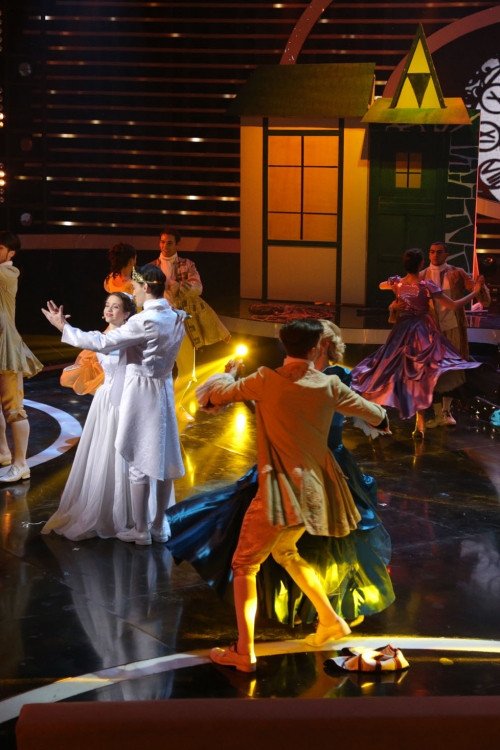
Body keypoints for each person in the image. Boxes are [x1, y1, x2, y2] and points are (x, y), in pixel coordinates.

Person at [166, 319, 394, 631]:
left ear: (283, 345)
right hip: (318, 488)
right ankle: (331, 621)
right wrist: (381, 420)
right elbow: (378, 416)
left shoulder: (266, 379)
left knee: (245, 564)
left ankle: (245, 650)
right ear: (314, 349)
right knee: (285, 551)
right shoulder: (330, 385)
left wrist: (228, 375)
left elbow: (211, 397)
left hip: (279, 489)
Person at [42, 264, 186, 545]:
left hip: (141, 391)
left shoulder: (144, 321)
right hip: (164, 390)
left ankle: (141, 529)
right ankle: (159, 525)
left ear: (146, 287)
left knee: (138, 460)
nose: (134, 292)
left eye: (135, 287)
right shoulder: (175, 316)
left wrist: (63, 327)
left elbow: (103, 342)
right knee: (163, 457)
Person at [352, 247, 483, 438]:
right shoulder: (426, 286)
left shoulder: (398, 283)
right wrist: (474, 293)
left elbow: (381, 285)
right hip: (422, 331)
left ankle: (384, 415)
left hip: (402, 331)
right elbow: (454, 305)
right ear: (421, 264)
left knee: (392, 370)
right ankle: (420, 423)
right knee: (420, 375)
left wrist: (395, 290)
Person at [42, 293, 138, 540]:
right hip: (106, 400)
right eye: (107, 305)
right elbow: (91, 342)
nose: (109, 310)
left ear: (127, 313)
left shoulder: (131, 336)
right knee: (105, 450)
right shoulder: (102, 335)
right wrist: (62, 325)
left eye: (116, 307)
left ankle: (129, 510)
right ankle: (108, 506)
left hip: (127, 400)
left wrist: (63, 326)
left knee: (124, 453)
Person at [152, 227, 230, 420]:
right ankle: (156, 408)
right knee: (155, 370)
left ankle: (174, 406)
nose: (165, 246)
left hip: (181, 323)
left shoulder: (187, 265)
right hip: (158, 325)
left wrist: (177, 287)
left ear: (177, 244)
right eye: (162, 242)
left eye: (169, 242)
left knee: (187, 369)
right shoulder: (151, 267)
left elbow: (198, 287)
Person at [421, 241, 490, 428]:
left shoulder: (457, 273)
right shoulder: (422, 275)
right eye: (432, 252)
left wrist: (480, 286)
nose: (435, 255)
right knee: (433, 371)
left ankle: (446, 412)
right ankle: (437, 413)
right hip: (431, 330)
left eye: (439, 252)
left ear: (447, 254)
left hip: (453, 328)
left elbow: (479, 294)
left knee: (452, 370)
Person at [0, 232, 43, 484]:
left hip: (6, 346)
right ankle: (3, 452)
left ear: (11, 253)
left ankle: (21, 465)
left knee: (14, 408)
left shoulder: (7, 272)